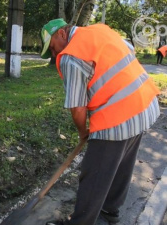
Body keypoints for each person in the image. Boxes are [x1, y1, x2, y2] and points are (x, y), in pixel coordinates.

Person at [40, 18, 161, 225]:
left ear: (61, 34)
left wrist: (82, 131)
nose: (54, 54)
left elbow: (77, 107)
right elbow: (128, 49)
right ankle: (110, 210)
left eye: (52, 47)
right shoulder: (100, 30)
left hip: (117, 117)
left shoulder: (72, 56)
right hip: (144, 105)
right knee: (122, 163)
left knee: (93, 173)